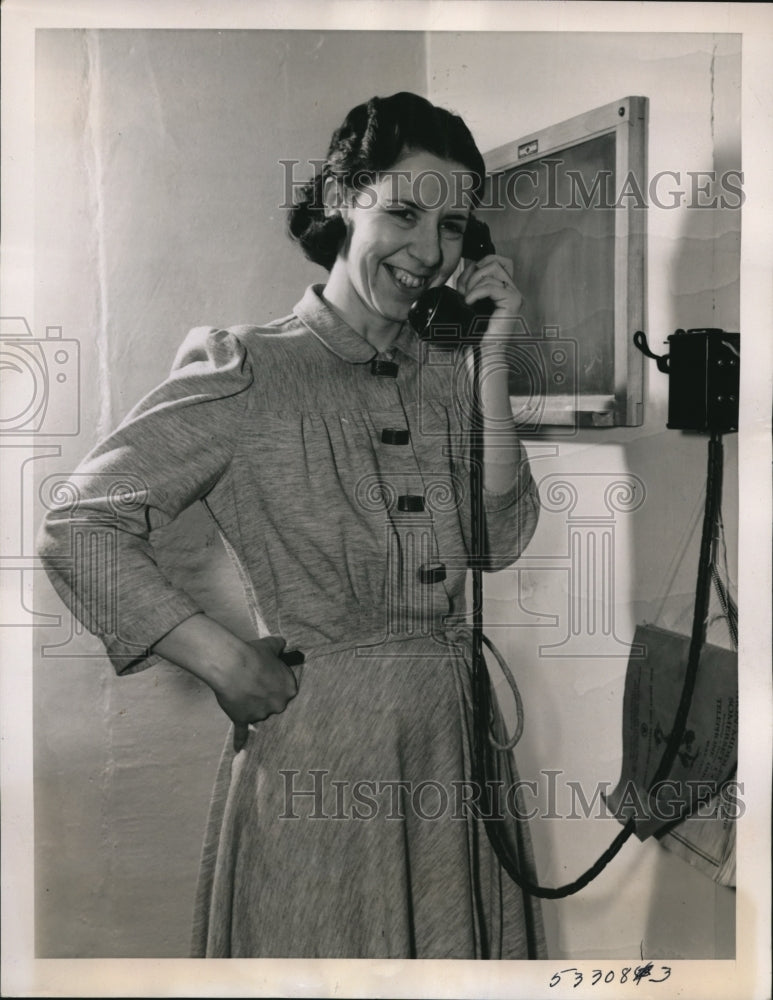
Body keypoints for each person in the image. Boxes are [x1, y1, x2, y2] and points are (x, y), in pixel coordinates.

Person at [38, 91, 546, 959]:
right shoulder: (249, 369)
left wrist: (489, 360)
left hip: (453, 743)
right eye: (401, 212)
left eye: (454, 225)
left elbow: (495, 541)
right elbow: (79, 524)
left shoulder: (444, 366)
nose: (428, 251)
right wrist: (222, 658)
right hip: (326, 756)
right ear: (344, 200)